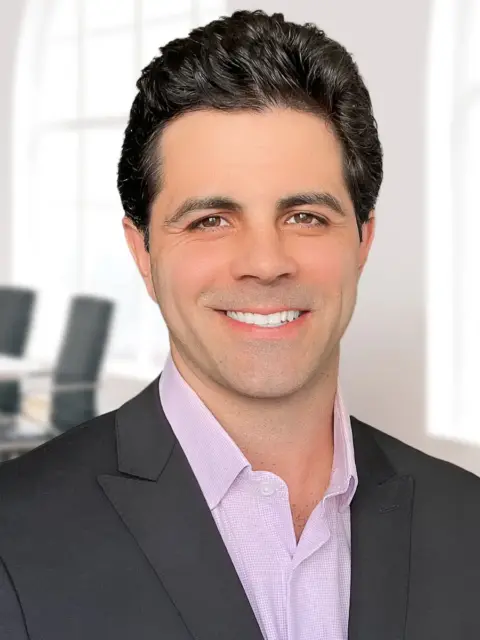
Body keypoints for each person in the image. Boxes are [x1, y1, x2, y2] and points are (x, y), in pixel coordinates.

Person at [0, 9, 479, 640]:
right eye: (209, 221)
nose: (265, 263)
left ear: (362, 241)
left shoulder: (469, 521)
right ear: (143, 253)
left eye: (306, 216)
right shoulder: (14, 538)